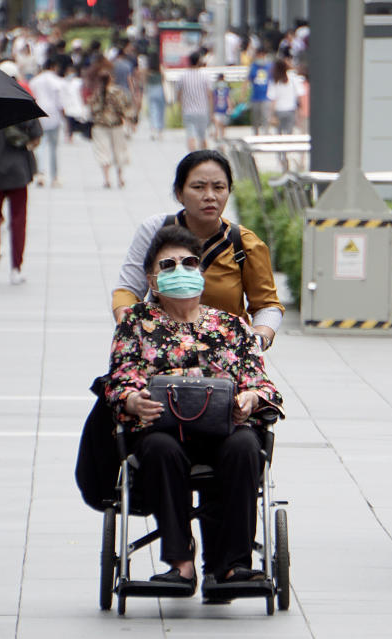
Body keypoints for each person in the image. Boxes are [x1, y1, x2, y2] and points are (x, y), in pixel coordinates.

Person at [105, 224, 283, 591]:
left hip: (223, 430)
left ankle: (233, 565)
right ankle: (181, 563)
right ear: (152, 281)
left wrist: (249, 399)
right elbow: (118, 381)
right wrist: (133, 400)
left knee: (246, 446)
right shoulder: (136, 324)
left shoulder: (232, 326)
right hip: (163, 431)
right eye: (168, 265)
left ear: (201, 273)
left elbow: (261, 383)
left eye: (189, 263)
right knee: (157, 448)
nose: (180, 270)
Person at [111, 150, 283, 350]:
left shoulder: (244, 244)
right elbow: (128, 290)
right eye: (198, 187)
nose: (210, 196)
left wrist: (259, 338)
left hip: (227, 354)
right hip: (161, 350)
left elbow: (267, 305)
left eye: (219, 187)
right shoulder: (155, 230)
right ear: (179, 193)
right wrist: (132, 328)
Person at [0, 69, 43, 285]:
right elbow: (36, 137)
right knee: (18, 219)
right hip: (18, 170)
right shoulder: (24, 103)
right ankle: (16, 268)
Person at [86, 68, 131, 189]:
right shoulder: (117, 92)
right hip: (116, 124)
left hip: (100, 125)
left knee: (102, 151)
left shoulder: (96, 93)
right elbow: (123, 107)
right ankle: (120, 178)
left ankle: (106, 179)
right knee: (119, 151)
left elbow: (91, 109)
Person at [28, 58, 64, 187]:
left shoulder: (35, 81)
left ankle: (40, 174)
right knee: (54, 148)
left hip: (39, 114)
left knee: (40, 146)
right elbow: (60, 100)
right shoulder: (57, 81)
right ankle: (54, 177)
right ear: (54, 67)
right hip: (54, 115)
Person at [176, 51, 212, 152]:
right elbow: (210, 95)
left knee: (190, 136)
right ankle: (204, 157)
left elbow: (179, 95)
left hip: (188, 110)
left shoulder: (183, 76)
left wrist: (180, 107)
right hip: (202, 110)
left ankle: (192, 157)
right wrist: (211, 111)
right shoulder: (205, 76)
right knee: (203, 136)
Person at [247, 47, 273, 135]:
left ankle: (266, 134)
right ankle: (256, 134)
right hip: (255, 96)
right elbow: (248, 79)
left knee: (265, 117)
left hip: (266, 96)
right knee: (255, 118)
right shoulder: (253, 66)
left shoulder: (270, 66)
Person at [143, 53, 166, 141]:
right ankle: (160, 132)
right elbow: (164, 79)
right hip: (160, 90)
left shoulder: (147, 70)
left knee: (152, 111)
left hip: (151, 90)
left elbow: (145, 81)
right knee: (161, 112)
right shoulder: (160, 68)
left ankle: (153, 131)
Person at [211, 73, 231, 141]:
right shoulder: (215, 89)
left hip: (224, 108)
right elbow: (213, 99)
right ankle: (217, 135)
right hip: (217, 108)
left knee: (222, 123)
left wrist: (229, 107)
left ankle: (222, 136)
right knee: (217, 123)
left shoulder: (226, 89)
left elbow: (228, 98)